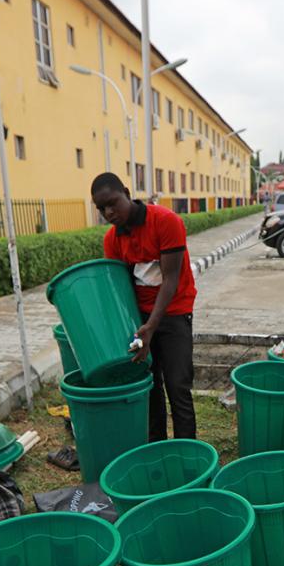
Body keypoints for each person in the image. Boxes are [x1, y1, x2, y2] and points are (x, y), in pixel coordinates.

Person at [92, 172, 197, 441]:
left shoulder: (165, 221)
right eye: (101, 208)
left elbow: (171, 279)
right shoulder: (112, 240)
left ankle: (187, 453)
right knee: (148, 384)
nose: (109, 212)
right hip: (140, 321)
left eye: (113, 203)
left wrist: (152, 326)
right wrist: (135, 328)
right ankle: (157, 450)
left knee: (178, 386)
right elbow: (122, 287)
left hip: (174, 313)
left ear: (127, 192)